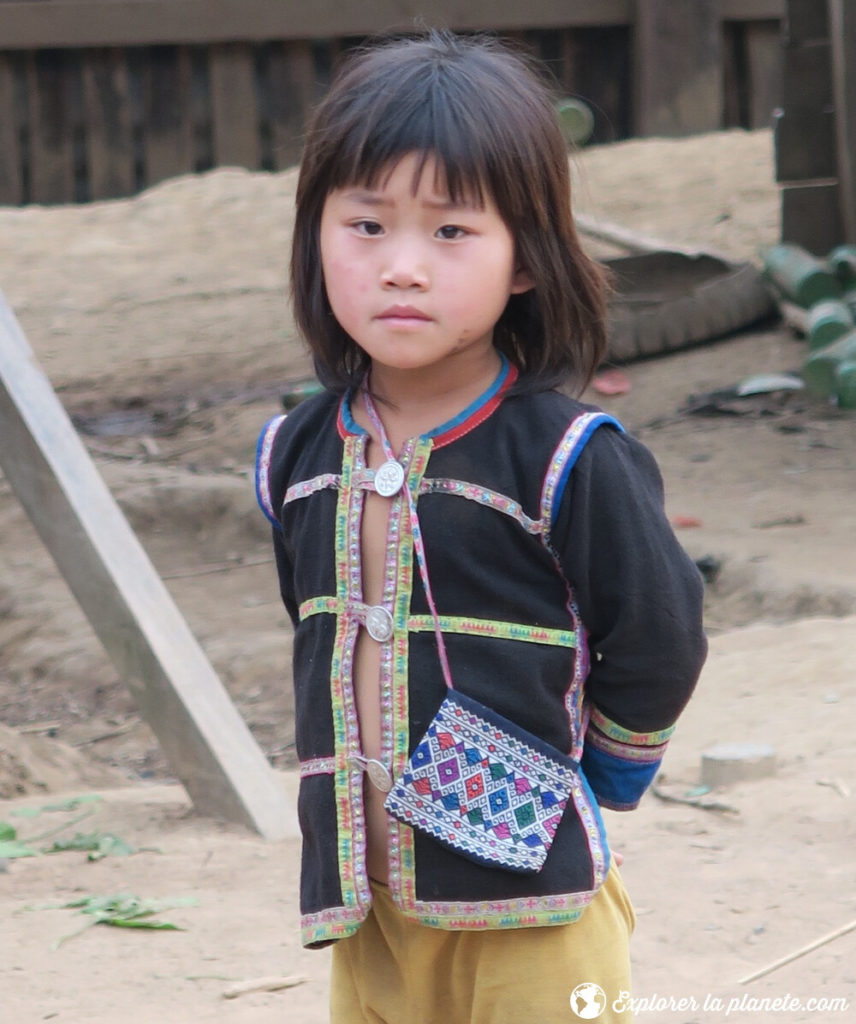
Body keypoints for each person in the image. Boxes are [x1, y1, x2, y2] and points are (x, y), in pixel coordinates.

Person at [256, 30, 707, 1024]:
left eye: (451, 233)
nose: (402, 267)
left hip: (531, 913)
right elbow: (315, 620)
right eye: (366, 226)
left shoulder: (565, 455)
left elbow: (660, 627)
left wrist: (585, 776)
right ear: (315, 236)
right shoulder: (294, 455)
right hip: (367, 901)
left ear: (526, 261)